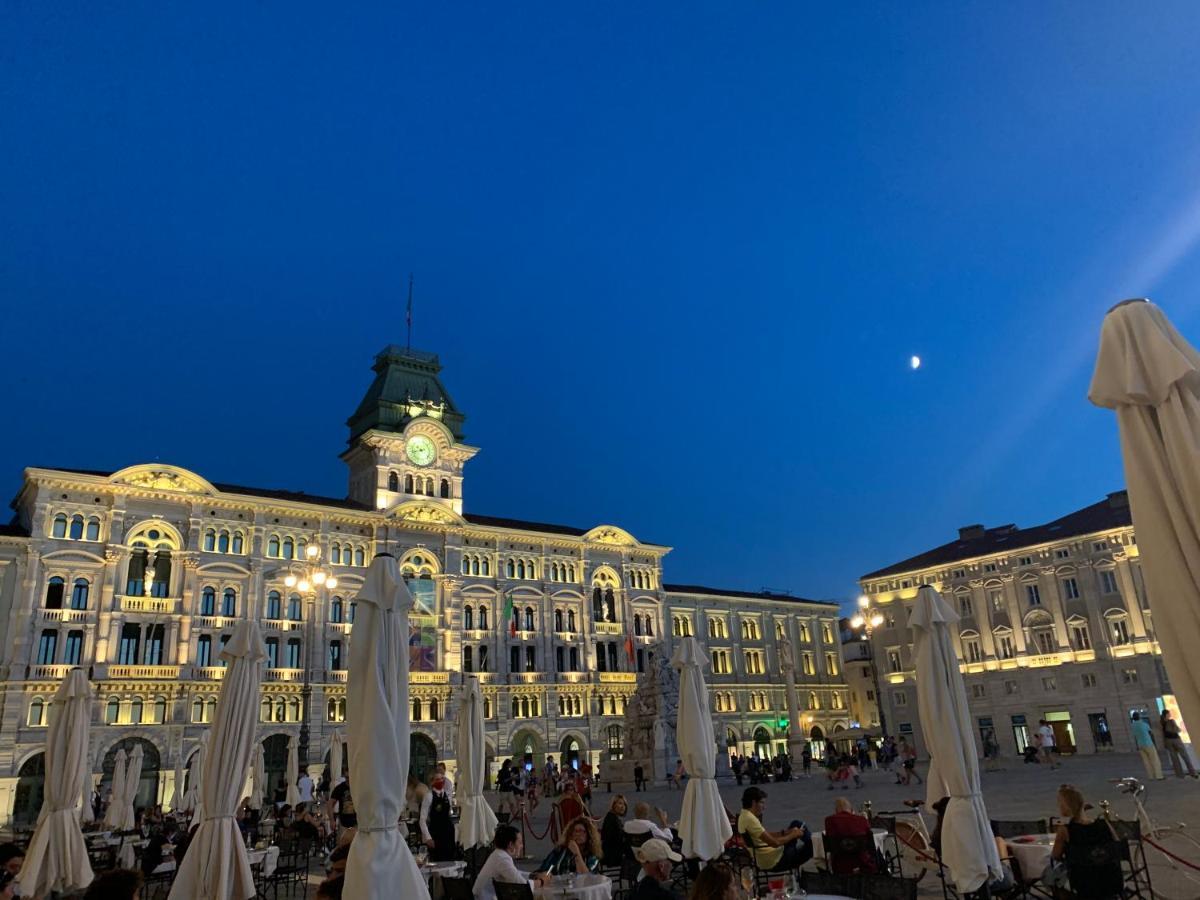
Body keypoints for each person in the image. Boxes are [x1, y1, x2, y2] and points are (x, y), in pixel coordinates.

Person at [1051, 784, 1123, 899]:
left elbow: (1055, 855)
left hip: (1084, 882)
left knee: (1050, 876)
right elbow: (1118, 847)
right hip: (1110, 878)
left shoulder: (1066, 829)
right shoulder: (1103, 824)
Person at [736, 787, 812, 872]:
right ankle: (817, 846)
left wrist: (785, 832)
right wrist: (793, 834)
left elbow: (765, 835)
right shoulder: (750, 819)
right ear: (754, 802)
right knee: (811, 845)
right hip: (776, 861)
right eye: (762, 803)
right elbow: (775, 843)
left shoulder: (744, 815)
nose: (764, 807)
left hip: (768, 858)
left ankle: (816, 845)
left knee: (796, 824)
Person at [473, 824, 550, 900]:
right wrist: (542, 881)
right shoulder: (502, 859)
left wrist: (533, 875)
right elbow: (522, 885)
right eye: (520, 843)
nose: (522, 846)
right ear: (511, 845)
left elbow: (515, 873)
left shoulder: (499, 854)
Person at [823, 797, 878, 875]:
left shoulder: (829, 820)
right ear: (852, 810)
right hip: (862, 863)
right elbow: (870, 841)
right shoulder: (862, 820)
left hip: (839, 864)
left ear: (836, 811)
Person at [420, 773, 457, 861]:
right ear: (432, 782)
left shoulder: (447, 795)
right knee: (438, 861)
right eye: (437, 779)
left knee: (450, 860)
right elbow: (422, 820)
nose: (440, 781)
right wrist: (428, 838)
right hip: (436, 834)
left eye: (441, 779)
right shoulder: (429, 796)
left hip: (448, 833)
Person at [1161, 710, 1198, 779]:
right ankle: (1193, 773)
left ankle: (1180, 775)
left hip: (1168, 741)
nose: (1170, 714)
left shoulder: (1162, 722)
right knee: (1185, 756)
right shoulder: (1171, 721)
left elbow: (1163, 734)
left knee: (1174, 759)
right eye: (1169, 713)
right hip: (1176, 740)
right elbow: (1177, 730)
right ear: (1166, 714)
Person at [1131, 712, 1165, 781]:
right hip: (1148, 743)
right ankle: (1159, 776)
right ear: (1139, 717)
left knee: (1146, 761)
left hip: (1140, 745)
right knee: (1155, 760)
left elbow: (1135, 736)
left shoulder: (1132, 726)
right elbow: (1150, 733)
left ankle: (1151, 776)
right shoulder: (1144, 724)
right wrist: (1154, 743)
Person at [601, 795, 629, 865]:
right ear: (613, 805)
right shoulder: (612, 819)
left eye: (624, 804)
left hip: (612, 853)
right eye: (620, 803)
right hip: (612, 856)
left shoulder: (612, 817)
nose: (623, 806)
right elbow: (616, 840)